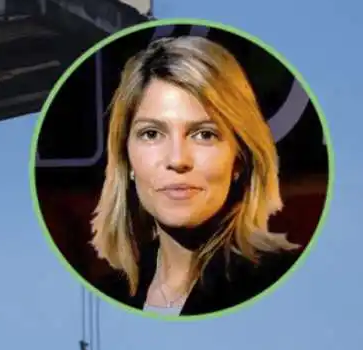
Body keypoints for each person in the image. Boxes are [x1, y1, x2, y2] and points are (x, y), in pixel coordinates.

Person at [89, 35, 301, 316]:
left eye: (204, 134)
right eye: (151, 134)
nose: (177, 160)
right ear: (125, 159)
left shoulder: (276, 281)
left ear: (240, 159)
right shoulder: (112, 292)